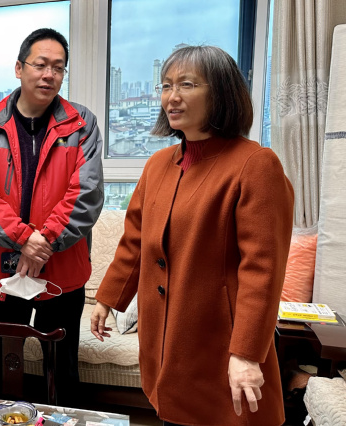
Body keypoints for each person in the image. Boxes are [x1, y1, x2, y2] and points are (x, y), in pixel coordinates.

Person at [90, 46, 294, 426]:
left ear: (221, 93)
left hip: (219, 345)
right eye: (166, 85)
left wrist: (247, 353)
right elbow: (135, 242)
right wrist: (107, 299)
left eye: (187, 84)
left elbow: (263, 271)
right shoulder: (158, 164)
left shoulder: (254, 164)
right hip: (163, 342)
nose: (172, 96)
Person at [0, 28, 104, 405]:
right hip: (0, 269)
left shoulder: (82, 124)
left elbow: (87, 192)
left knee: (62, 368)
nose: (49, 75)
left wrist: (44, 242)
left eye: (58, 67)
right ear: (19, 68)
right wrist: (24, 239)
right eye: (40, 65)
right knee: (2, 365)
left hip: (62, 269)